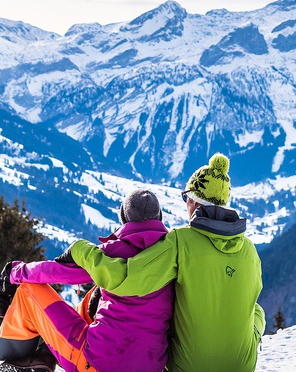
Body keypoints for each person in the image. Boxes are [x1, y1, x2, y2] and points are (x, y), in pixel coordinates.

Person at [67, 153, 265, 372]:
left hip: (190, 367)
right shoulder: (249, 250)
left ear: (193, 201)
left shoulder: (181, 241)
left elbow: (128, 279)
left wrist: (80, 250)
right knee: (255, 310)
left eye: (186, 198)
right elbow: (252, 307)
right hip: (243, 366)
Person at [0, 189, 174, 372]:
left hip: (96, 365)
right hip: (152, 366)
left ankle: (11, 362)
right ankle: (43, 357)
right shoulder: (174, 258)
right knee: (95, 295)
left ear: (124, 218)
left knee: (28, 291)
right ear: (159, 218)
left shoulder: (111, 254)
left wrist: (14, 272)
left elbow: (56, 271)